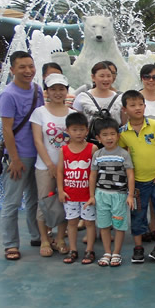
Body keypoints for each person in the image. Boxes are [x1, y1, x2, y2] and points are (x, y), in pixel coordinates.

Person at [0, 51, 44, 261]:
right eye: (22, 67)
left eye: (31, 66)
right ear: (12, 70)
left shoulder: (37, 90)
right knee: (12, 202)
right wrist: (14, 159)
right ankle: (10, 244)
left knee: (35, 199)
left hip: (38, 154)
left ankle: (37, 236)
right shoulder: (8, 95)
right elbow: (7, 129)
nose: (28, 71)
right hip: (19, 156)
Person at [118, 90, 155, 263]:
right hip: (138, 182)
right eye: (132, 105)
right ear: (125, 109)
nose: (138, 108)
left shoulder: (154, 125)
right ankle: (138, 247)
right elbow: (122, 155)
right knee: (138, 214)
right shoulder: (123, 132)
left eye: (141, 104)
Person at [31, 73, 72, 257]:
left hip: (67, 168)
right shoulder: (40, 112)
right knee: (44, 202)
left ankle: (61, 238)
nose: (57, 93)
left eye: (61, 89)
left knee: (65, 202)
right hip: (44, 167)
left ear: (66, 91)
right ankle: (45, 239)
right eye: (53, 89)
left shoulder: (72, 114)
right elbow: (38, 141)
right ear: (46, 91)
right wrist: (50, 165)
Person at [87, 117, 135, 267]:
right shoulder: (98, 155)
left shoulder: (124, 154)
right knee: (104, 225)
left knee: (119, 225)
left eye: (112, 134)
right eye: (105, 135)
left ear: (118, 136)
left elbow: (130, 175)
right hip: (101, 195)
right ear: (98, 138)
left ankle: (116, 253)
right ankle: (107, 252)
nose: (109, 138)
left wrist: (130, 195)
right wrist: (92, 196)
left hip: (119, 195)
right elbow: (93, 175)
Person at [57, 112, 97, 264]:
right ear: (67, 130)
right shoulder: (64, 150)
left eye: (82, 129)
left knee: (89, 223)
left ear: (87, 130)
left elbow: (96, 172)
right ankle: (73, 249)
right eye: (74, 130)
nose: (78, 133)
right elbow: (60, 171)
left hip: (87, 195)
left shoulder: (92, 149)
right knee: (72, 223)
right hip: (70, 195)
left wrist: (93, 194)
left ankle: (90, 250)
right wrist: (61, 190)